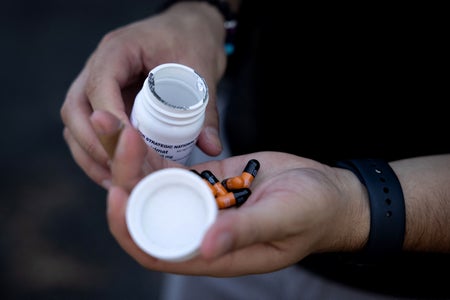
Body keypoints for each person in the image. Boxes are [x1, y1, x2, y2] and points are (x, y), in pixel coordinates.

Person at [60, 1, 450, 299]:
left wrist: (360, 205)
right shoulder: (224, 182)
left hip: (394, 276)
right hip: (239, 154)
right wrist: (204, 10)